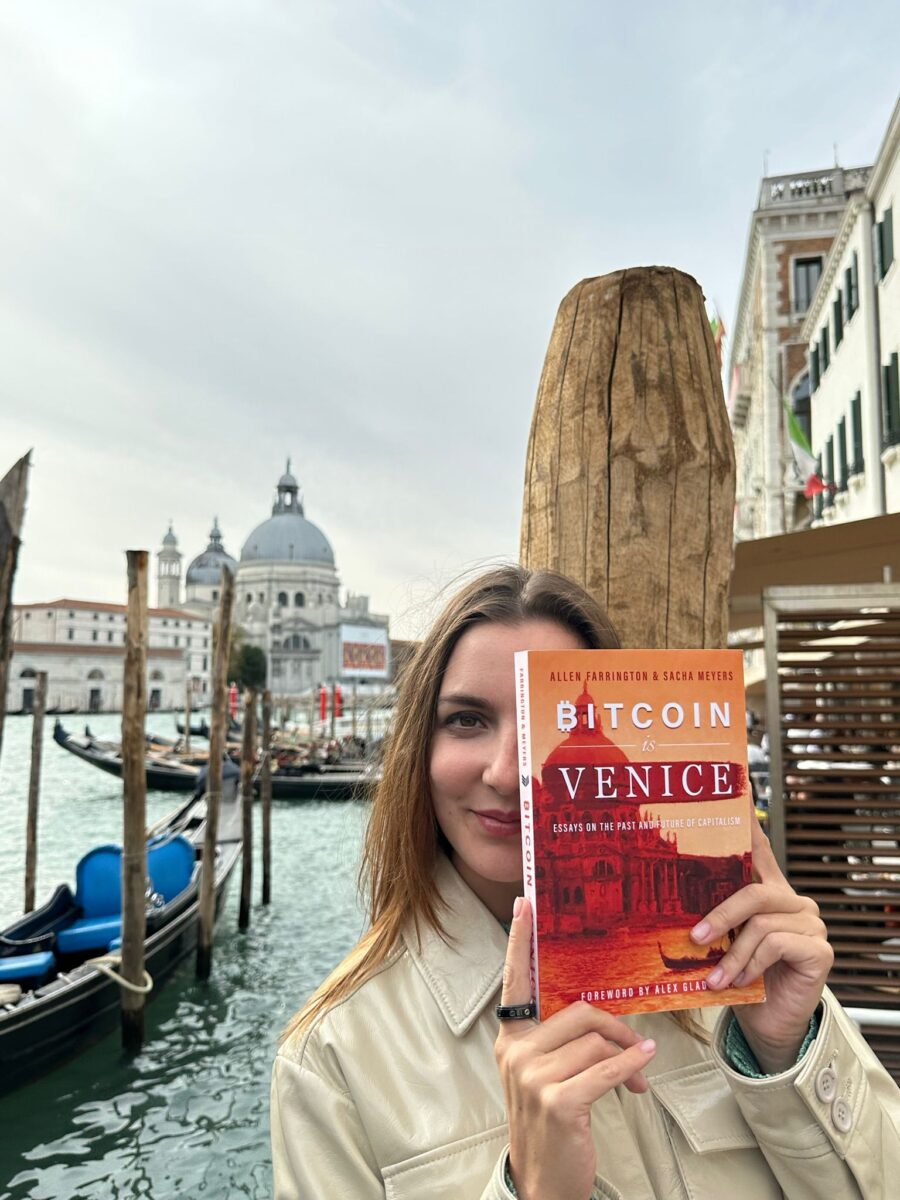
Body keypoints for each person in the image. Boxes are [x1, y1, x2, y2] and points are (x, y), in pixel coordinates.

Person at [271, 565, 900, 1199]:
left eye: (536, 719)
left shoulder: (734, 966)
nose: (510, 773)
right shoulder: (333, 1059)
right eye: (467, 719)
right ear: (418, 749)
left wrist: (787, 1052)